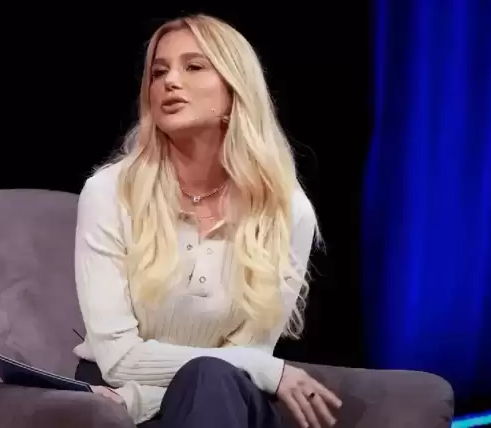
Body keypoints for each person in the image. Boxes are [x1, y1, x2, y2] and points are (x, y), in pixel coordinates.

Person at [72, 13, 342, 428]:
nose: (170, 81)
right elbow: (118, 358)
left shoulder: (284, 211)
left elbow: (247, 357)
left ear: (235, 90)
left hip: (216, 400)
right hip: (114, 401)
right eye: (158, 72)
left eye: (194, 67)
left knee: (212, 381)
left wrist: (137, 399)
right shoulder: (109, 193)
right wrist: (268, 370)